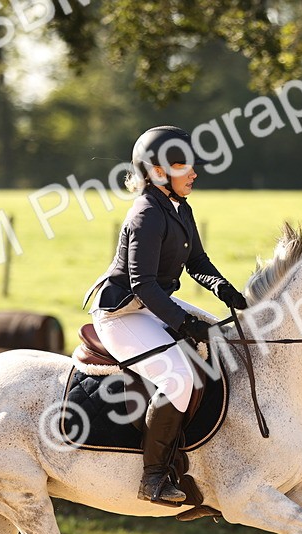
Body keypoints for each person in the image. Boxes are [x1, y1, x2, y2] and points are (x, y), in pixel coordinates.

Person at [83, 126, 249, 506]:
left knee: (223, 345)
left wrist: (223, 288)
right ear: (157, 172)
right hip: (123, 314)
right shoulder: (146, 214)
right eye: (182, 166)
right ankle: (154, 477)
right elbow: (142, 284)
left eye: (192, 165)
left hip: (149, 306)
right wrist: (183, 323)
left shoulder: (179, 208)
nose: (193, 173)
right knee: (178, 377)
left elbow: (197, 261)